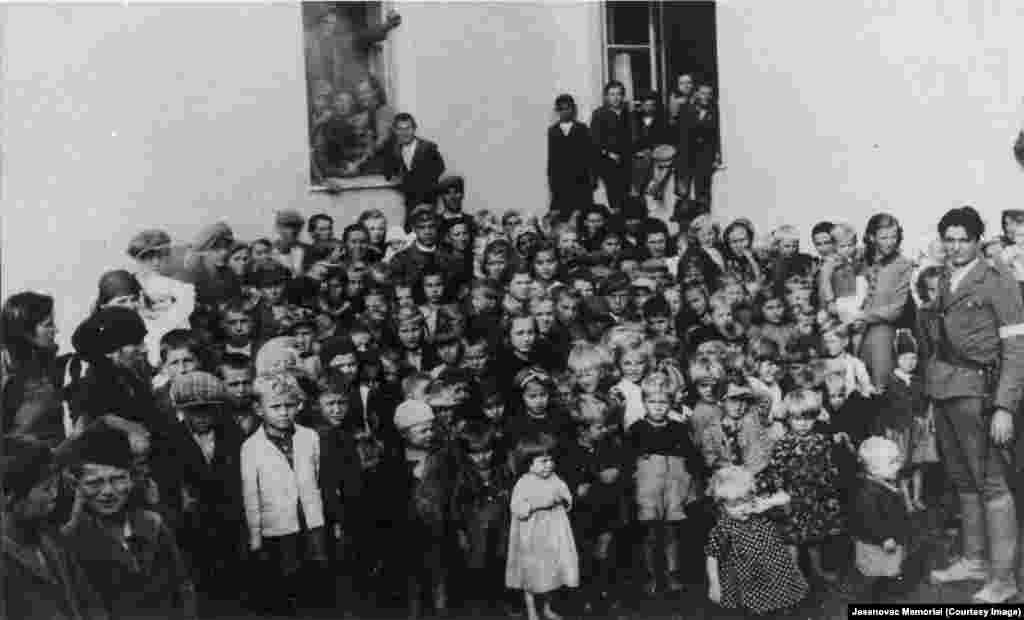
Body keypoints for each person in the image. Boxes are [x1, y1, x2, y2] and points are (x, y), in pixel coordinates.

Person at [927, 206, 1024, 604]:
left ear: (978, 240)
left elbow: (1016, 348)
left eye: (962, 239)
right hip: (945, 388)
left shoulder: (997, 278)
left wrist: (1004, 406)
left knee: (992, 485)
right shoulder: (948, 276)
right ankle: (974, 560)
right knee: (964, 481)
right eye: (948, 239)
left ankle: (1004, 580)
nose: (954, 247)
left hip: (978, 393)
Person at [62, 422, 198, 620]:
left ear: (132, 480)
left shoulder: (153, 525)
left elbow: (183, 588)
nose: (108, 492)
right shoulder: (70, 542)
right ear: (77, 486)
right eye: (94, 482)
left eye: (118, 479)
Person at [241, 372, 328, 615]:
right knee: (285, 586)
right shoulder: (251, 447)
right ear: (259, 409)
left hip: (310, 523)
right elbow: (251, 496)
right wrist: (255, 537)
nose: (283, 412)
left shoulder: (309, 437)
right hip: (277, 528)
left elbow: (317, 477)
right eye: (275, 406)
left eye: (289, 405)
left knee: (314, 583)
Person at [2, 435, 106, 620]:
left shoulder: (54, 545)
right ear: (9, 497)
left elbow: (91, 607)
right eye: (46, 488)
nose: (54, 495)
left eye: (56, 486)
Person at [626, 372, 701, 595]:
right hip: (647, 489)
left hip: (673, 489)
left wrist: (693, 485)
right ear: (644, 403)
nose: (658, 407)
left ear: (670, 403)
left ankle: (673, 573)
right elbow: (628, 462)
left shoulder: (678, 429)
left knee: (672, 532)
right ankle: (650, 575)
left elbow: (691, 459)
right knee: (648, 533)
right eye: (652, 402)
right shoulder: (636, 430)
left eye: (663, 402)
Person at [704, 466, 808, 616]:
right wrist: (714, 584)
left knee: (780, 601)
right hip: (747, 577)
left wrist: (766, 503)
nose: (741, 508)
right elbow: (712, 556)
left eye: (745, 501)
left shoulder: (760, 512)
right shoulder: (723, 528)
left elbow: (786, 498)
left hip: (774, 570)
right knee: (754, 609)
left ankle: (779, 607)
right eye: (733, 505)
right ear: (721, 505)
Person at [506, 433, 579, 620]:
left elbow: (566, 496)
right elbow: (517, 508)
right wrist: (540, 503)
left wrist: (563, 499)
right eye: (543, 461)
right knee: (532, 575)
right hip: (532, 538)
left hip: (553, 536)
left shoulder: (555, 479)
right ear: (528, 463)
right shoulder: (524, 483)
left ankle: (547, 607)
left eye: (551, 460)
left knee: (549, 573)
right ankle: (532, 612)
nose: (549, 465)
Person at [852, 213, 913, 391]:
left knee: (882, 387)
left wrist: (865, 316)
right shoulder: (862, 263)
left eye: (894, 236)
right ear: (872, 238)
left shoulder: (903, 265)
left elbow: (897, 308)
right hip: (855, 334)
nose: (890, 242)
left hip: (882, 333)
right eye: (884, 237)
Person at [849, 436, 912, 602]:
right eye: (892, 462)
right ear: (873, 468)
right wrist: (883, 537)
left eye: (897, 461)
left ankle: (886, 590)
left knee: (888, 569)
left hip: (890, 539)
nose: (898, 465)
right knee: (876, 572)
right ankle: (876, 597)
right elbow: (870, 520)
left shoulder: (885, 483)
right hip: (878, 542)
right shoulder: (869, 492)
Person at [1, 291, 65, 445]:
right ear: (25, 331)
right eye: (48, 325)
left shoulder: (46, 365)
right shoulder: (7, 367)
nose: (56, 331)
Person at [371, 113, 446, 225]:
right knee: (410, 230)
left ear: (414, 129)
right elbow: (387, 169)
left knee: (429, 229)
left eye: (408, 128)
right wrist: (393, 178)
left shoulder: (428, 148)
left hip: (428, 200)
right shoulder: (394, 150)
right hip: (409, 200)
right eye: (400, 129)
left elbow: (439, 169)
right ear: (395, 131)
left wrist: (427, 197)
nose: (404, 133)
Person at [547, 94, 594, 223]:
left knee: (582, 216)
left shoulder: (582, 129)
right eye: (561, 109)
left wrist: (591, 180)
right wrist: (552, 182)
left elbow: (589, 156)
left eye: (568, 108)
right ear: (557, 111)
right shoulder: (553, 131)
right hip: (561, 183)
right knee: (563, 218)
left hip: (581, 182)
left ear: (573, 109)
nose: (565, 112)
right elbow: (552, 159)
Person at [589, 81, 632, 218]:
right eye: (612, 94)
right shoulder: (599, 114)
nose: (615, 97)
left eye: (619, 94)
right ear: (606, 97)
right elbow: (594, 141)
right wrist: (608, 153)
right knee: (614, 197)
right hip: (607, 162)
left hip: (627, 160)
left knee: (628, 196)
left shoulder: (628, 114)